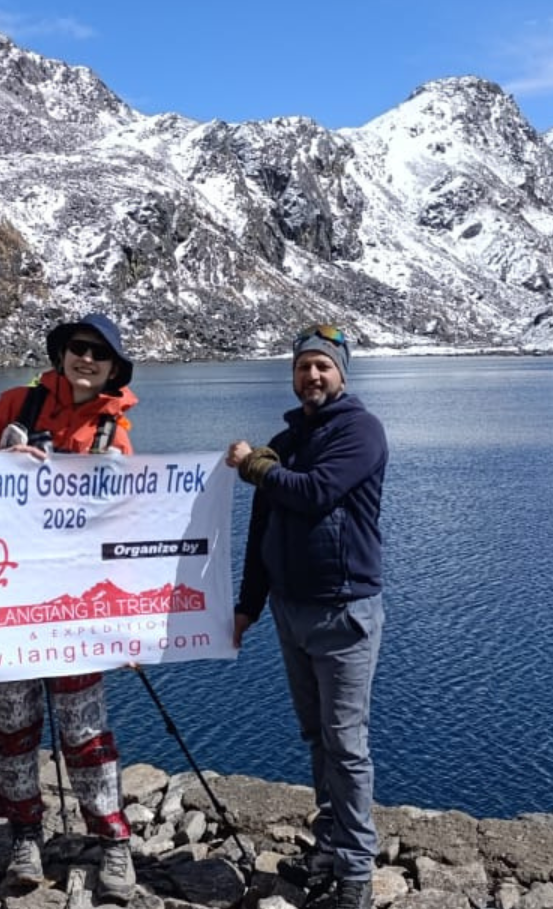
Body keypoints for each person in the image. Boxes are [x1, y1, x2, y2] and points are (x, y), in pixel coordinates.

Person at [0, 313, 139, 900]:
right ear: (61, 354)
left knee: (85, 730)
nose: (85, 359)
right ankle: (24, 836)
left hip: (76, 611)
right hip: (8, 601)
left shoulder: (117, 431)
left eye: (98, 354)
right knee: (9, 726)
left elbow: (133, 526)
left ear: (113, 368)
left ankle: (113, 842)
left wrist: (134, 623)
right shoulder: (17, 405)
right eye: (76, 348)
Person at [224, 326, 388, 909]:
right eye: (303, 368)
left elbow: (317, 492)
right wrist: (247, 606)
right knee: (318, 738)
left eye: (323, 366)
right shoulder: (282, 443)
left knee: (346, 746)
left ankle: (356, 874)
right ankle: (328, 847)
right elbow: (261, 533)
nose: (312, 376)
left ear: (342, 373)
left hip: (344, 612)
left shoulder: (361, 431)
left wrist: (255, 468)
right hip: (290, 613)